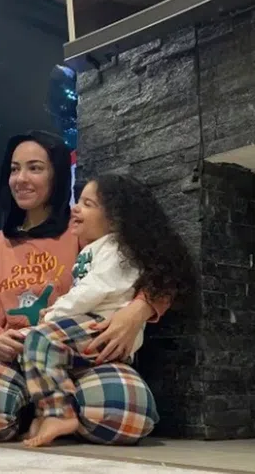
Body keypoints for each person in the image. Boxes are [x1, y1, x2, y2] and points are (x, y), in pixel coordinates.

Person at [0, 131, 170, 445]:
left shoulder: (83, 228)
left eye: (35, 168)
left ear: (56, 175)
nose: (21, 179)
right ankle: (39, 409)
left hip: (80, 359)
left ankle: (56, 410)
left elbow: (157, 269)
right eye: (14, 169)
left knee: (126, 413)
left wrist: (138, 311)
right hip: (11, 358)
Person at [22, 174, 196, 447]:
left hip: (102, 327)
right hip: (88, 326)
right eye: (78, 201)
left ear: (115, 220)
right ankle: (51, 412)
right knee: (38, 344)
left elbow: (93, 290)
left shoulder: (115, 249)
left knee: (40, 341)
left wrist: (54, 313)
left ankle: (58, 413)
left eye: (87, 204)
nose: (76, 208)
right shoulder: (94, 248)